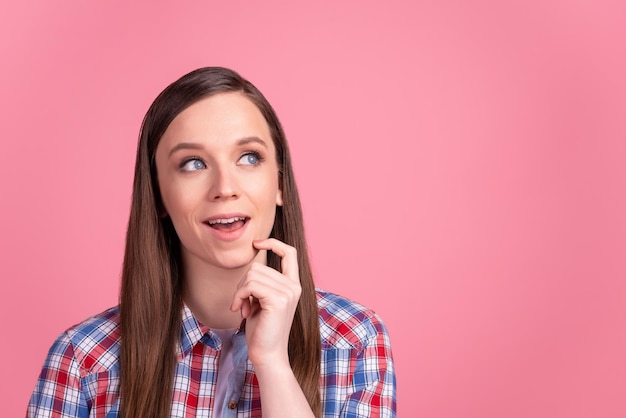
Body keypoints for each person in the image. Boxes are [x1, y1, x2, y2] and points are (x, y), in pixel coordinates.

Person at [27, 67, 396, 417]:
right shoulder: (84, 361)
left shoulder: (353, 341)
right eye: (192, 163)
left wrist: (272, 365)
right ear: (157, 196)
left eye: (249, 158)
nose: (225, 188)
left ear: (280, 182)